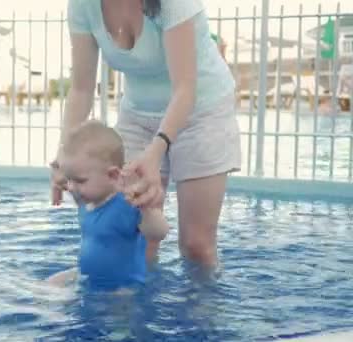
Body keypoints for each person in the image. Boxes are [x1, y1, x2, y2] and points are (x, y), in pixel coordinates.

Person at [50, 0, 241, 269]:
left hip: (202, 109)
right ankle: (138, 305)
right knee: (133, 237)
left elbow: (185, 90)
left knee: (196, 245)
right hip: (138, 113)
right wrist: (63, 156)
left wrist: (156, 151)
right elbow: (81, 89)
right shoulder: (82, 4)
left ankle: (204, 308)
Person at [46, 120, 169, 290]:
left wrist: (147, 210)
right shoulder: (86, 203)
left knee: (119, 309)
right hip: (89, 277)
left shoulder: (126, 205)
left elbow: (159, 233)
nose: (72, 187)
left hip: (123, 287)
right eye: (69, 179)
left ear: (112, 176)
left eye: (80, 181)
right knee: (51, 283)